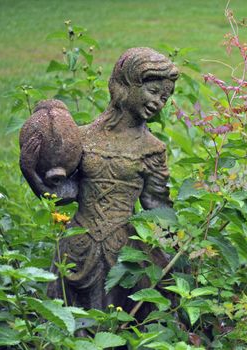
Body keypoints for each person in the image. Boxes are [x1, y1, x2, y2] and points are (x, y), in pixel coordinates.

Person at [41, 47, 179, 310]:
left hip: (124, 255)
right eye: (153, 91)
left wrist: (177, 256)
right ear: (127, 82)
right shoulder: (80, 138)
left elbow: (158, 209)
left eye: (165, 97)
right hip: (77, 248)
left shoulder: (151, 149)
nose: (158, 102)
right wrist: (43, 177)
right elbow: (62, 195)